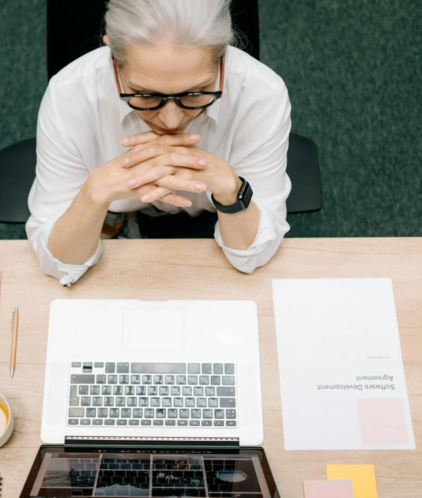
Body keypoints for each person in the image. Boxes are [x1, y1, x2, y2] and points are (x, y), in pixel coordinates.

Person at [27, 0, 292, 286]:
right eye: (145, 95)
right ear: (113, 59)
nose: (171, 121)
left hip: (210, 222)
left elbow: (252, 255)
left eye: (194, 94)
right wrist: (94, 194)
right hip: (109, 226)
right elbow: (57, 262)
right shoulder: (69, 95)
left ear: (223, 60)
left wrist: (231, 191)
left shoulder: (261, 94)